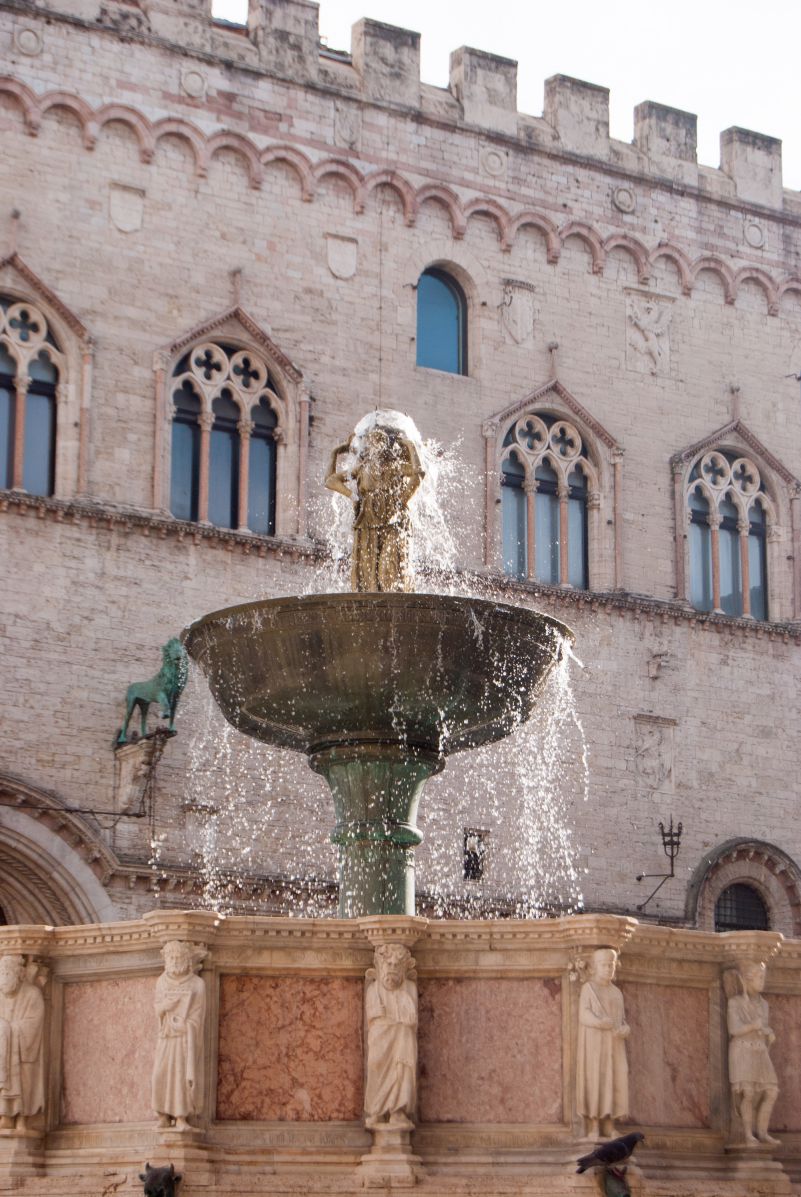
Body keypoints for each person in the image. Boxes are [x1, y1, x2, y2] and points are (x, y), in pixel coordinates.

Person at [325, 416, 425, 593]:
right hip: (367, 522)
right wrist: (352, 495)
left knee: (389, 570)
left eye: (380, 442)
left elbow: (418, 474)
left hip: (393, 522)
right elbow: (330, 481)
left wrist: (410, 447)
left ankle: (395, 608)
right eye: (372, 442)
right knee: (367, 575)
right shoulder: (362, 469)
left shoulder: (396, 467)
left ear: (386, 447)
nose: (376, 446)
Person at [576, 948, 630, 1139]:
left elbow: (622, 1019)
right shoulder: (589, 988)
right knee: (596, 1081)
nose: (608, 969)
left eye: (611, 965)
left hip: (614, 1045)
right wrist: (599, 1022)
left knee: (613, 1081)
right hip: (594, 1043)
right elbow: (583, 1014)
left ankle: (610, 1124)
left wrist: (625, 1029)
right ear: (595, 967)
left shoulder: (616, 992)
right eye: (604, 965)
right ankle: (594, 1126)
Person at [152, 940, 206, 1132]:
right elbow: (157, 1008)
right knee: (160, 1074)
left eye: (178, 957)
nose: (174, 961)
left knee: (181, 1076)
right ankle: (162, 1114)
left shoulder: (197, 984)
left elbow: (198, 1016)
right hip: (166, 1037)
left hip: (184, 1039)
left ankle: (181, 1117)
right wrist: (164, 1008)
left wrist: (186, 1025)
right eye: (171, 957)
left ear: (186, 959)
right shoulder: (161, 981)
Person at [725, 960, 779, 1146]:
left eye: (763, 977)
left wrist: (768, 1034)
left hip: (760, 1050)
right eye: (760, 977)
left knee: (771, 1091)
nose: (763, 981)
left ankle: (762, 1132)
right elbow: (733, 1028)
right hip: (742, 1050)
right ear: (747, 980)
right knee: (748, 1093)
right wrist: (753, 1026)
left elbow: (762, 1028)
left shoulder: (764, 1004)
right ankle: (748, 1134)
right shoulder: (735, 1002)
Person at [364, 943, 417, 1129]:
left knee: (402, 1067)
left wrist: (398, 1023)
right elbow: (374, 1017)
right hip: (381, 1040)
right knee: (375, 1064)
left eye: (396, 965)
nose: (392, 968)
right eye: (389, 965)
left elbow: (411, 1019)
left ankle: (398, 1111)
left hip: (401, 1040)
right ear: (380, 967)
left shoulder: (408, 989)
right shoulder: (374, 989)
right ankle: (376, 1110)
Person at [0, 953, 45, 1133]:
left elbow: (34, 1022)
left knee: (26, 1079)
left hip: (24, 1049)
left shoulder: (32, 994)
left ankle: (22, 1118)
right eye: (1, 975)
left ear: (19, 975)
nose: (3, 979)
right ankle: (5, 1114)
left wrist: (10, 1031)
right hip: (3, 1051)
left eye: (7, 974)